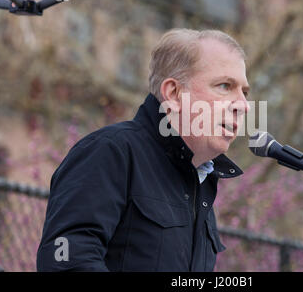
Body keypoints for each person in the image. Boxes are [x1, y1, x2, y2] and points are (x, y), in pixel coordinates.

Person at [36, 28, 250, 271]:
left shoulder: (201, 183)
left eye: (244, 92)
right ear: (174, 93)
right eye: (224, 86)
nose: (243, 106)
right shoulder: (110, 152)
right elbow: (65, 260)